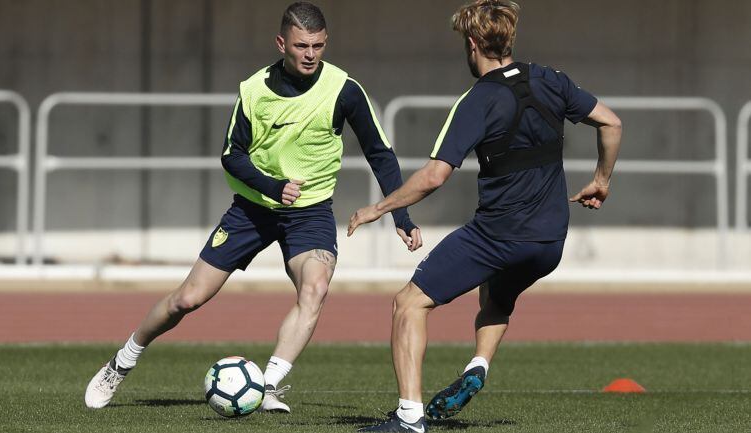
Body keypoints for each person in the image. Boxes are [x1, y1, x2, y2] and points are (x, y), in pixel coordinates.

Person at [84, 1, 422, 413]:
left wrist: (400, 215)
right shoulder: (254, 90)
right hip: (251, 210)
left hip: (310, 213)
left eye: (318, 45)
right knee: (186, 300)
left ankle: (267, 384)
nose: (311, 54)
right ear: (282, 43)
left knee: (314, 288)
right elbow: (232, 155)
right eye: (301, 46)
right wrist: (271, 186)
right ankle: (121, 362)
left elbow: (380, 154)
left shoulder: (344, 89)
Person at [348, 0, 622, 431]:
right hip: (550, 241)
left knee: (408, 303)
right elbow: (611, 123)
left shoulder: (477, 100)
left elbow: (434, 176)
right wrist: (602, 180)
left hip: (499, 235)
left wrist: (378, 208)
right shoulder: (552, 80)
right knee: (496, 296)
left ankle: (408, 418)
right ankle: (478, 365)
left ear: (473, 44)